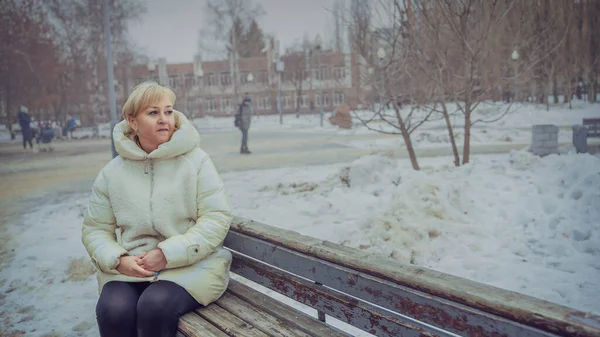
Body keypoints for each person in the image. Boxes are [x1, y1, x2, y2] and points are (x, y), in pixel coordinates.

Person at [82, 81, 233, 337]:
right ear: (133, 121)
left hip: (192, 267)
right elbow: (95, 229)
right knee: (112, 310)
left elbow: (216, 218)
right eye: (153, 113)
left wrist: (167, 253)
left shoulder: (196, 162)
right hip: (131, 269)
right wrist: (119, 260)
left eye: (168, 111)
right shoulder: (112, 172)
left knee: (154, 306)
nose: (164, 119)